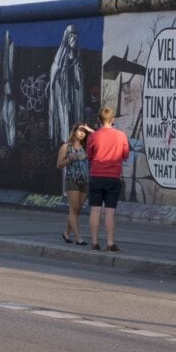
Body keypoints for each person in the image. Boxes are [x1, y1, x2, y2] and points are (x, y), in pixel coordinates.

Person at [86, 107, 130, 252]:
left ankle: (94, 242)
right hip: (113, 177)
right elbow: (125, 155)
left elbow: (90, 156)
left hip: (96, 175)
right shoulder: (121, 135)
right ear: (112, 120)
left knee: (95, 210)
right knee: (110, 211)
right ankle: (110, 243)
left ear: (99, 119)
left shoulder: (94, 136)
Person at [56, 123, 92, 245]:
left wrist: (90, 130)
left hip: (85, 181)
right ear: (74, 131)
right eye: (80, 130)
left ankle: (66, 233)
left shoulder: (87, 147)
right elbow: (59, 164)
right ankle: (78, 238)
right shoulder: (66, 147)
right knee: (74, 208)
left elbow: (98, 138)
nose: (82, 133)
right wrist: (69, 159)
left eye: (84, 132)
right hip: (72, 180)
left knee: (77, 210)